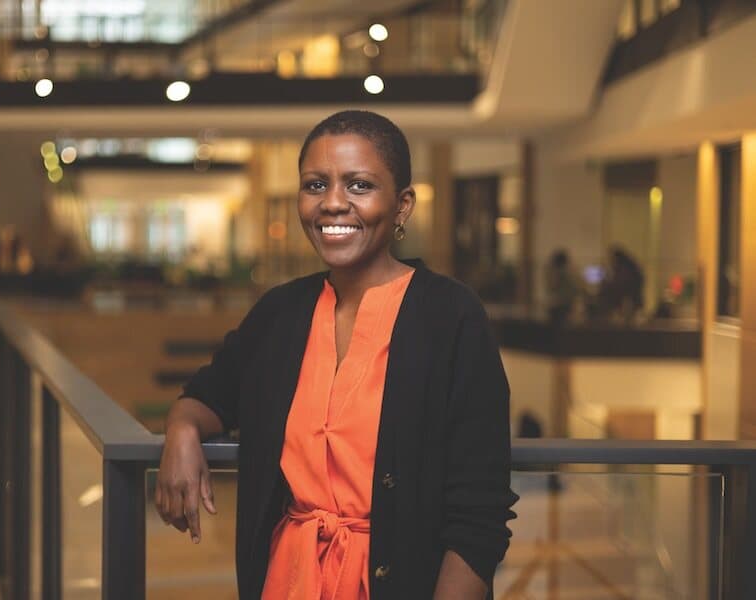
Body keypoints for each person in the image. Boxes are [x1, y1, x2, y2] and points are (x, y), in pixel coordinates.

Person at [156, 110, 518, 599]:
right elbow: (209, 393)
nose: (332, 204)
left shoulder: (451, 316)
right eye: (316, 185)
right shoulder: (280, 312)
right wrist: (181, 429)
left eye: (360, 185)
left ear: (402, 205)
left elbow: (479, 512)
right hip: (285, 583)